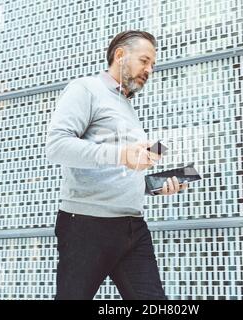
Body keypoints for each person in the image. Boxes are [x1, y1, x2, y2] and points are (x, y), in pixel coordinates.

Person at [45, 30, 188, 300]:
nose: (150, 70)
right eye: (144, 61)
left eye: (152, 65)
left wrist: (155, 187)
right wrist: (122, 154)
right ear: (120, 55)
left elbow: (118, 171)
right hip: (87, 226)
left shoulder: (127, 107)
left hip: (133, 226)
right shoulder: (85, 89)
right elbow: (56, 147)